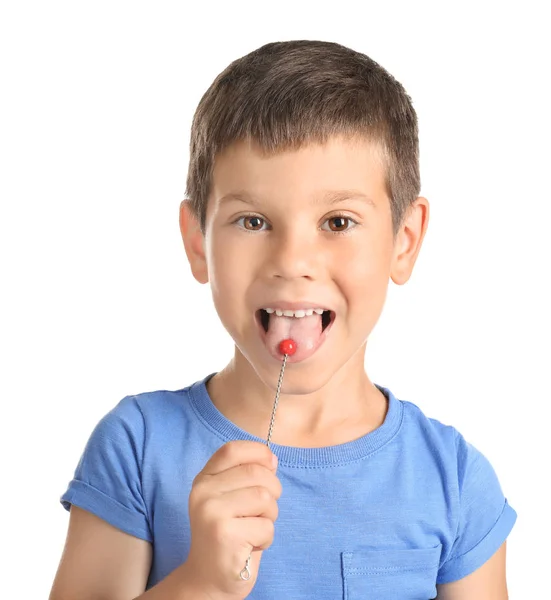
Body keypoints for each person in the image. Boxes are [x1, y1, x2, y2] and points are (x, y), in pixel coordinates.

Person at [49, 40, 516, 600]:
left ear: (404, 240)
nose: (293, 261)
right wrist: (200, 583)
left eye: (338, 222)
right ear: (197, 241)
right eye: (252, 221)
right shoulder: (137, 447)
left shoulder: (455, 482)